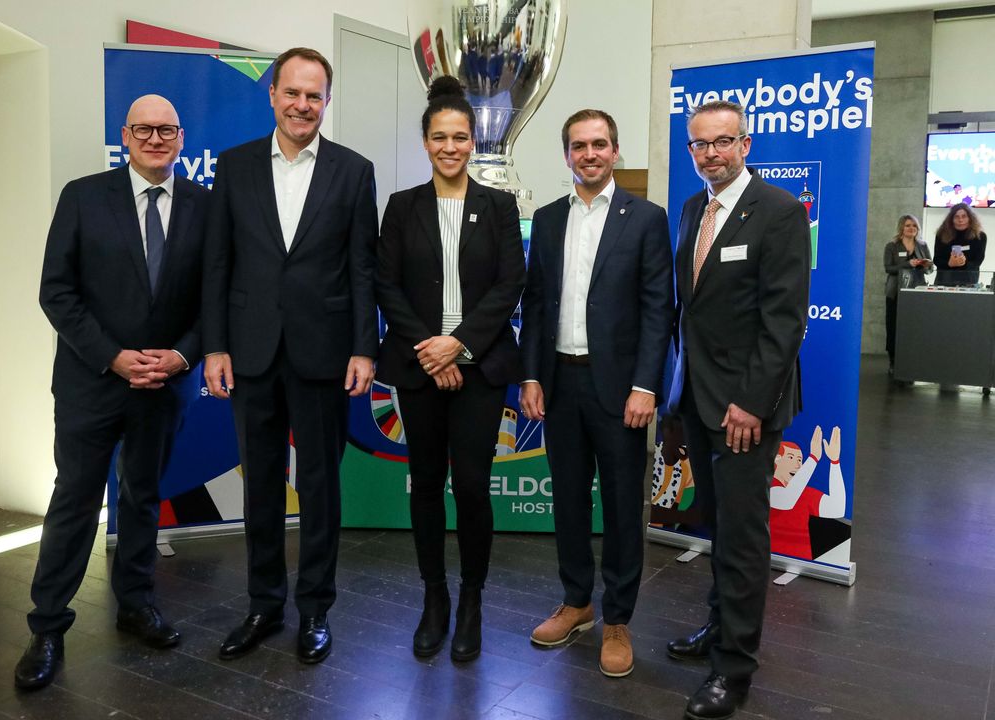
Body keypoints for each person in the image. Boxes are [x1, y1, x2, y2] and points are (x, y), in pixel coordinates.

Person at [15, 95, 209, 690]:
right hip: (92, 382)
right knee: (75, 500)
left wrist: (181, 355)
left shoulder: (206, 205)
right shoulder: (83, 196)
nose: (156, 138)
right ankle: (47, 626)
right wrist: (113, 358)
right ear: (125, 135)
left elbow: (217, 296)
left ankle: (136, 603)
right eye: (144, 129)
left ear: (181, 138)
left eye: (167, 129)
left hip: (164, 384)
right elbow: (57, 292)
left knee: (143, 496)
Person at [202, 47, 379, 664]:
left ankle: (315, 611)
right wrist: (215, 344)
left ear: (326, 102)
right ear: (272, 95)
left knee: (322, 486)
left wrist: (364, 347)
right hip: (249, 352)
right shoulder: (234, 166)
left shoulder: (354, 171)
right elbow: (218, 263)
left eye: (315, 95)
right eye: (292, 93)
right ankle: (263, 605)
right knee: (261, 489)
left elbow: (362, 267)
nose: (303, 105)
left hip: (325, 353)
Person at [665, 99, 810, 719]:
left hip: (746, 408)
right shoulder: (695, 208)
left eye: (723, 142)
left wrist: (750, 404)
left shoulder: (778, 211)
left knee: (744, 539)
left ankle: (735, 669)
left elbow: (783, 321)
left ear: (745, 145)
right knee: (718, 527)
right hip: (699, 399)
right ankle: (719, 629)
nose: (711, 153)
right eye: (700, 144)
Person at [375, 75, 525, 662]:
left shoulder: (500, 206)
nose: (450, 147)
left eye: (460, 137)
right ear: (425, 142)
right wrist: (430, 350)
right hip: (419, 367)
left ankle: (471, 600)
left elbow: (510, 283)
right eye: (439, 137)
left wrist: (458, 345)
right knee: (427, 486)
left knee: (470, 487)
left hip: (480, 367)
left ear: (472, 142)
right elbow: (386, 284)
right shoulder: (401, 206)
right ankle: (433, 597)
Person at [519, 109, 674, 678]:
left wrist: (645, 386)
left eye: (599, 144)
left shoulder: (646, 218)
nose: (589, 154)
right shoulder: (547, 218)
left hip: (621, 389)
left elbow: (660, 308)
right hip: (558, 382)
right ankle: (577, 602)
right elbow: (535, 305)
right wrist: (531, 375)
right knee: (567, 500)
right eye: (579, 146)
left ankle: (617, 621)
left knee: (619, 504)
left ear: (615, 151)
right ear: (567, 155)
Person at [769, 426, 846, 561]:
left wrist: (834, 462)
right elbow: (786, 500)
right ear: (777, 459)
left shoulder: (804, 493)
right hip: (767, 562)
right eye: (791, 457)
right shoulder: (767, 487)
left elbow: (837, 508)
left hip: (802, 566)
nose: (798, 465)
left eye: (800, 460)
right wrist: (813, 459)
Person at [883, 214, 932, 372]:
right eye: (908, 225)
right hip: (895, 292)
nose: (911, 228)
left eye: (914, 226)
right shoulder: (892, 246)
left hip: (916, 292)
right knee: (893, 326)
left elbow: (930, 269)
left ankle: (911, 359)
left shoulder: (922, 246)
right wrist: (907, 264)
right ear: (901, 228)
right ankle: (893, 360)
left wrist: (925, 265)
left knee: (914, 327)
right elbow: (888, 268)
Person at [933, 203, 986, 287]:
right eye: (956, 217)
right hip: (944, 281)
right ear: (951, 219)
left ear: (970, 218)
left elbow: (978, 261)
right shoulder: (941, 235)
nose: (960, 220)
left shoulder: (980, 236)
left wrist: (963, 263)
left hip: (968, 281)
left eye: (964, 216)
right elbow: (936, 260)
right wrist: (949, 264)